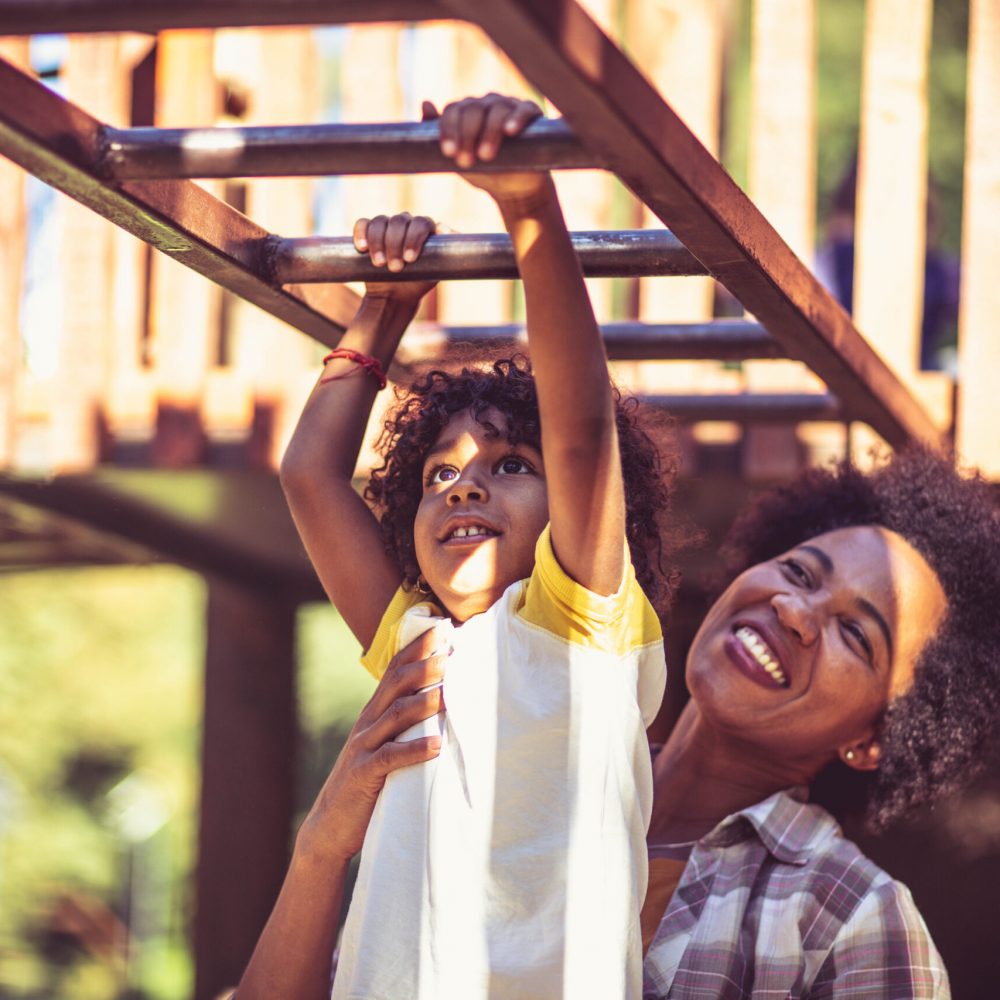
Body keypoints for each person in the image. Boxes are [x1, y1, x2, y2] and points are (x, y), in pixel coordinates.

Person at [237, 445, 1000, 999]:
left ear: (873, 738)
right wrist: (322, 849)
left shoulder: (850, 917)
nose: (795, 611)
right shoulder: (516, 765)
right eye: (798, 572)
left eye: (856, 635)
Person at [278, 93, 679, 999]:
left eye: (507, 466)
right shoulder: (417, 640)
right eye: (439, 476)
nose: (463, 484)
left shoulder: (582, 633)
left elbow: (580, 434)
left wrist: (528, 205)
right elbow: (310, 476)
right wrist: (384, 308)